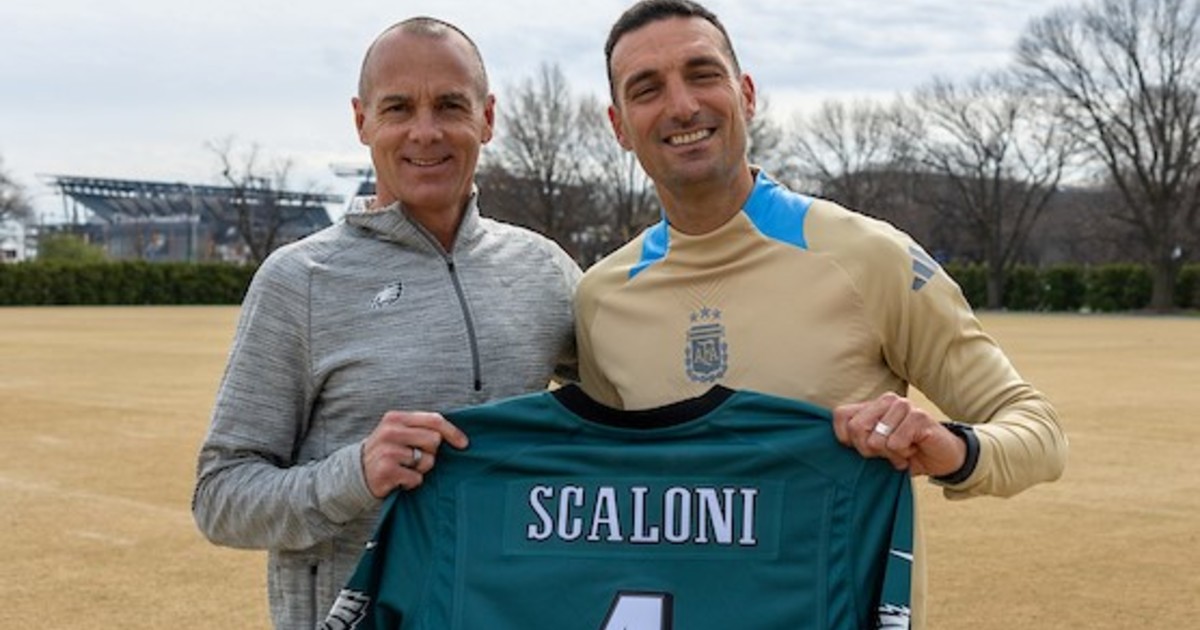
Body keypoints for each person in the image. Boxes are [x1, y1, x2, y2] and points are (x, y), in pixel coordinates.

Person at [576, 1, 1068, 627]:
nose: (682, 105)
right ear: (619, 126)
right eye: (647, 89)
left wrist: (950, 448)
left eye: (703, 74)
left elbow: (1039, 433)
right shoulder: (601, 297)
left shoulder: (869, 257)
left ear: (746, 94)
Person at [191, 17, 579, 629]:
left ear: (487, 117)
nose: (425, 132)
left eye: (450, 105)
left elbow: (632, 413)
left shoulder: (544, 269)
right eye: (398, 108)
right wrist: (355, 474)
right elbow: (220, 498)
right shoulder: (300, 279)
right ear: (361, 120)